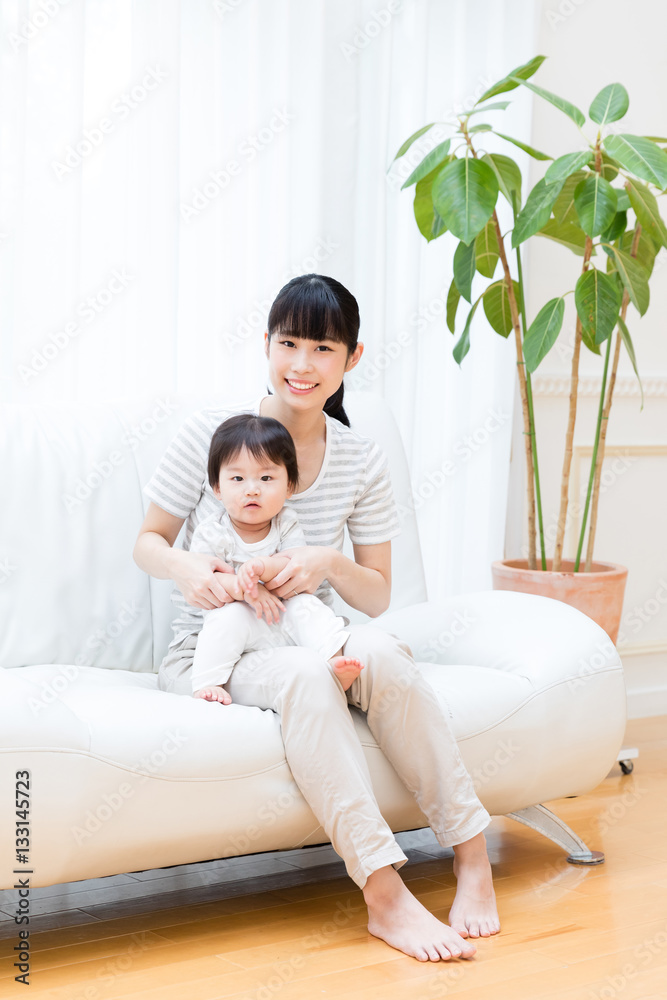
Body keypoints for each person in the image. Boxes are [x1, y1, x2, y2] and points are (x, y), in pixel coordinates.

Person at [133, 273, 500, 963]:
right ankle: (384, 896)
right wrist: (193, 570)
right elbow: (147, 542)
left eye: (322, 348)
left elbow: (375, 595)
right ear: (266, 345)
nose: (302, 365)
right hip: (221, 647)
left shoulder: (360, 455)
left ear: (351, 359)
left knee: (384, 652)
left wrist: (324, 562)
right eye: (288, 343)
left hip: (313, 629)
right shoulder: (214, 435)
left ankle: (472, 858)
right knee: (305, 673)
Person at [187, 412, 364, 700]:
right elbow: (210, 580)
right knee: (224, 622)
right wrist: (247, 589)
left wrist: (263, 567)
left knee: (309, 606)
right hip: (241, 623)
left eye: (266, 477)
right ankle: (209, 684)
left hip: (283, 617)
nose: (252, 488)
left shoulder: (287, 522)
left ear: (289, 486)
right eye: (237, 478)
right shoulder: (212, 532)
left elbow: (292, 564)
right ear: (218, 488)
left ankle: (333, 661)